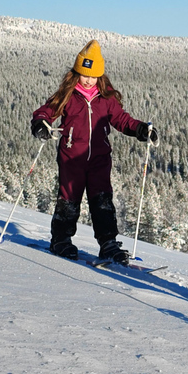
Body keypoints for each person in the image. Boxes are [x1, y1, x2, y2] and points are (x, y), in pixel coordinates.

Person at [31, 39, 158, 264]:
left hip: (99, 158)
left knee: (102, 200)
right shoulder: (68, 94)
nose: (88, 80)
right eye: (84, 75)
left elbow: (121, 119)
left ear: (100, 75)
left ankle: (108, 243)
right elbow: (47, 111)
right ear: (76, 72)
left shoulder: (105, 97)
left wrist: (140, 129)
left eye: (93, 76)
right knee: (69, 199)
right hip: (72, 158)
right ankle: (60, 239)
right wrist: (41, 122)